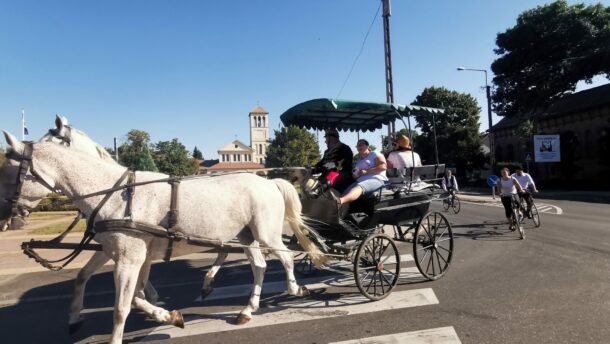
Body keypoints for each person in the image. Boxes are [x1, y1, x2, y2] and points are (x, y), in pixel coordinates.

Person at [336, 139, 388, 216]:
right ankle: (341, 216)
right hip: (360, 181)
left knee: (359, 187)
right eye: (358, 145)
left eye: (361, 144)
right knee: (345, 192)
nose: (359, 146)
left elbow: (383, 166)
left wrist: (366, 171)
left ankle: (340, 201)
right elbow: (356, 175)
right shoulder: (358, 161)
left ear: (367, 146)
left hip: (376, 179)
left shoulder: (374, 154)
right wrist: (355, 175)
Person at [307, 128, 354, 198]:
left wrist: (319, 169)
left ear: (331, 138)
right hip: (327, 173)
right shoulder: (327, 151)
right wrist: (312, 167)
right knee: (313, 183)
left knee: (331, 177)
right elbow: (321, 162)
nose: (325, 141)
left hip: (341, 173)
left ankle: (317, 192)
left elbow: (339, 164)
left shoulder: (344, 148)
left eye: (326, 138)